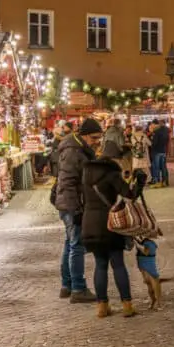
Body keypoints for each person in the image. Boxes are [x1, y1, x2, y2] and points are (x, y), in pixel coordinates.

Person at [82, 140, 142, 318]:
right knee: (118, 264)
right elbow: (130, 195)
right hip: (110, 224)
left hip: (90, 223)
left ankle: (102, 307)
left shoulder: (86, 172)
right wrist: (140, 182)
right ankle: (127, 305)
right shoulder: (112, 173)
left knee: (100, 265)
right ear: (114, 157)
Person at [55, 118, 104, 303]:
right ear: (83, 136)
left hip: (70, 203)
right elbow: (68, 182)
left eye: (99, 138)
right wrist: (75, 210)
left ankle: (67, 285)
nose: (97, 141)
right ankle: (78, 288)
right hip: (72, 204)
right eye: (94, 138)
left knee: (70, 243)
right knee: (77, 245)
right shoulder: (73, 151)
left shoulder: (77, 148)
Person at [151, 120, 171, 187]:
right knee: (164, 167)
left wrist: (152, 145)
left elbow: (155, 143)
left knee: (156, 167)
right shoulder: (167, 131)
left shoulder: (157, 131)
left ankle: (158, 182)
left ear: (160, 124)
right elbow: (168, 141)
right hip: (164, 151)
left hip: (157, 151)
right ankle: (165, 181)